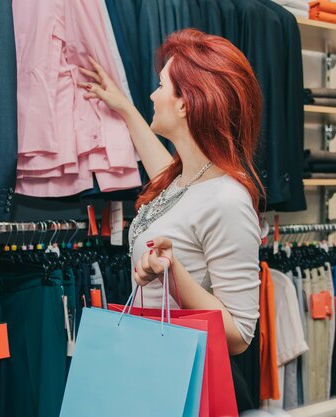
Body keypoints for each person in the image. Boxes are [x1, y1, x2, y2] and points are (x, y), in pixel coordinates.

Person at [80, 28, 262, 358]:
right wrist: (124, 107)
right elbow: (171, 184)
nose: (152, 95)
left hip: (183, 376)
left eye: (161, 86)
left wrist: (172, 275)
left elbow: (240, 334)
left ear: (185, 104)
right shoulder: (184, 180)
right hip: (154, 359)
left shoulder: (227, 201)